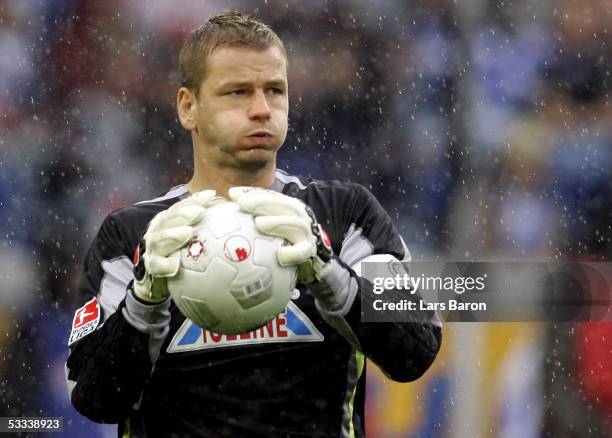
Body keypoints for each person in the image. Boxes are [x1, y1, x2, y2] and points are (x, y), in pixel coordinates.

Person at [65, 11, 442, 438]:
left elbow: (416, 352)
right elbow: (94, 399)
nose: (261, 109)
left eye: (274, 91)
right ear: (189, 107)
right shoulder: (133, 235)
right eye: (238, 92)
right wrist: (145, 301)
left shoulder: (345, 213)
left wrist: (328, 274)